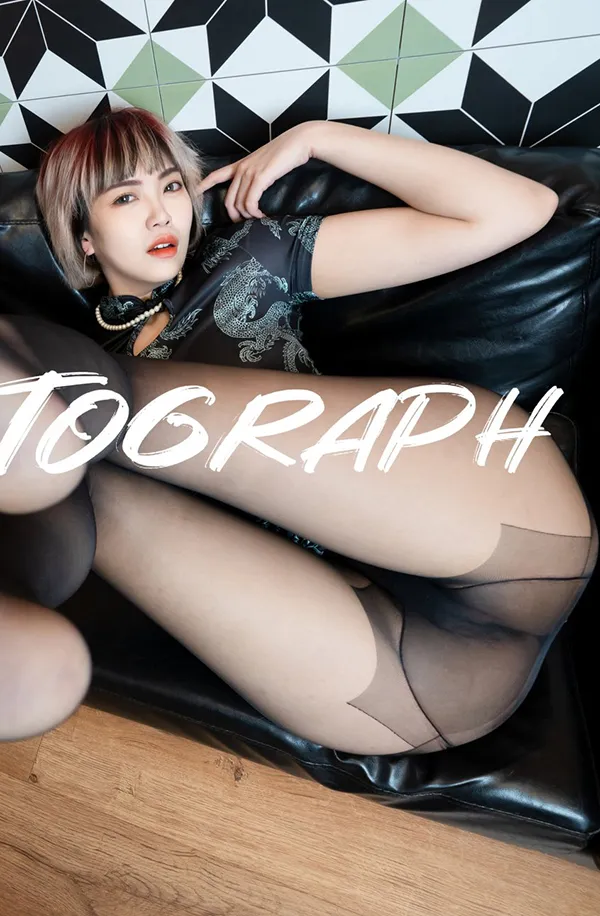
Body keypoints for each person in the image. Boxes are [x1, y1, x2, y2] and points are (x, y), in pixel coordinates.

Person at [0, 108, 595, 755]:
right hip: (416, 680)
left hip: (499, 525)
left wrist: (316, 138)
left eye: (171, 186)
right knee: (88, 475)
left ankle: (53, 397)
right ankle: (16, 605)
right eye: (125, 197)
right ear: (83, 237)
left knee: (83, 410)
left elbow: (519, 210)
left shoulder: (250, 257)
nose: (161, 213)